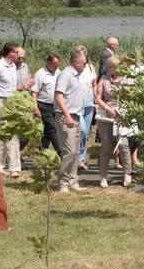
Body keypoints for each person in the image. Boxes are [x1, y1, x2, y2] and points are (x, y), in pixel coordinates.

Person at [95, 55, 134, 188]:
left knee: (123, 145)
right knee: (106, 146)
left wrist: (118, 110)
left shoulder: (127, 79)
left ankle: (127, 174)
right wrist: (107, 108)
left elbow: (130, 98)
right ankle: (103, 176)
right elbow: (98, 97)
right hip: (106, 115)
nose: (110, 69)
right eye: (109, 66)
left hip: (122, 115)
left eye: (113, 67)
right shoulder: (104, 79)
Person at [54, 49, 88, 192]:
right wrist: (67, 115)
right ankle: (62, 182)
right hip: (67, 116)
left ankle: (73, 181)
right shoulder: (65, 75)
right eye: (84, 63)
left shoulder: (76, 76)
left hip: (77, 116)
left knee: (75, 152)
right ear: (76, 62)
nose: (85, 66)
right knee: (69, 150)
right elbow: (59, 96)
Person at [0, 43, 21, 178]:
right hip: (0, 100)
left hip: (11, 101)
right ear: (11, 53)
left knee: (3, 135)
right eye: (17, 52)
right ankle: (14, 168)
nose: (19, 55)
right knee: (10, 132)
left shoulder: (13, 66)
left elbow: (12, 86)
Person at [30, 53, 62, 155]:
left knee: (47, 131)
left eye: (58, 64)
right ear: (48, 63)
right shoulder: (40, 74)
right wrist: (35, 108)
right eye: (55, 64)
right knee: (53, 128)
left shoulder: (58, 72)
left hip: (56, 105)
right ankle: (60, 152)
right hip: (44, 105)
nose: (57, 66)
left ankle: (42, 153)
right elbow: (34, 92)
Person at [73, 45, 97, 170]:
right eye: (80, 55)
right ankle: (75, 157)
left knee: (86, 132)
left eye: (84, 55)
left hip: (89, 102)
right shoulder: (72, 70)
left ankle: (81, 159)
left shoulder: (90, 68)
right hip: (78, 103)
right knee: (81, 130)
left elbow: (94, 84)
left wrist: (96, 99)